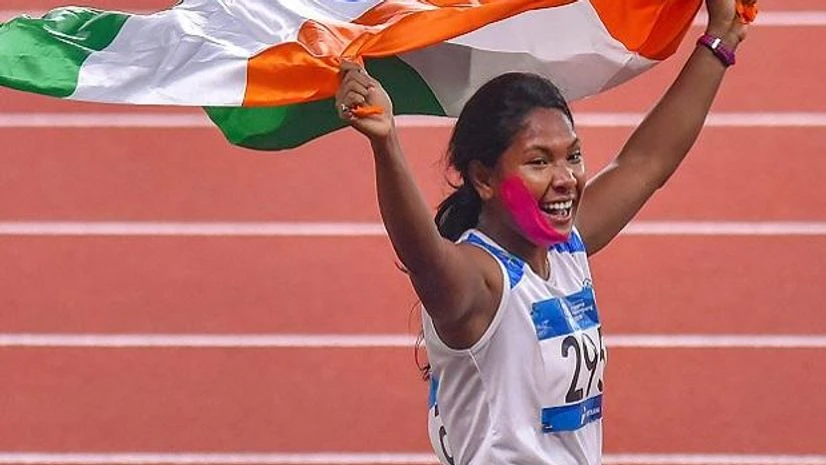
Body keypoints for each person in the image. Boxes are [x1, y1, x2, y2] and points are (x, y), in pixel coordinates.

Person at [335, 0, 748, 463]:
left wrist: (721, 39)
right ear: (484, 178)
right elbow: (421, 254)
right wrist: (386, 144)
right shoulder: (480, 283)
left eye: (572, 155)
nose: (566, 178)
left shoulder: (563, 248)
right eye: (539, 161)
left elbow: (646, 164)